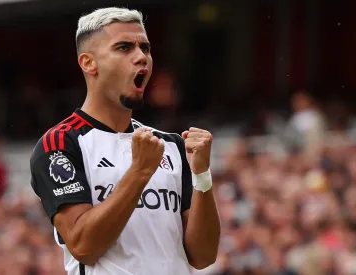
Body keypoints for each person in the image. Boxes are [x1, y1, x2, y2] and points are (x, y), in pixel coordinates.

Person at [29, 7, 220, 275]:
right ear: (88, 63)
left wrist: (202, 176)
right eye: (124, 47)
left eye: (145, 48)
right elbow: (84, 246)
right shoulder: (60, 144)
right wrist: (140, 171)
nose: (141, 57)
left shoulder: (170, 145)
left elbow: (203, 256)